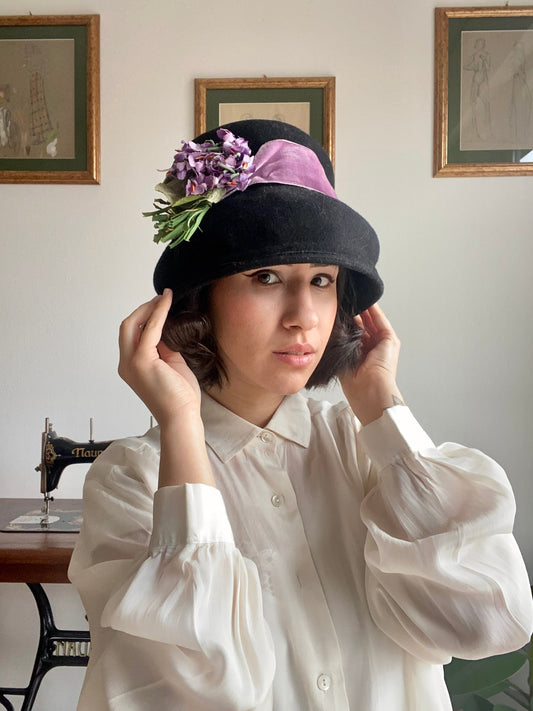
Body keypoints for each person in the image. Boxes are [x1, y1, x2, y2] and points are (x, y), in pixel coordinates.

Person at [69, 120, 533, 711]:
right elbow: (185, 692)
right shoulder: (133, 478)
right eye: (265, 277)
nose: (304, 317)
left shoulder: (369, 449)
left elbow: (483, 623)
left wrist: (382, 404)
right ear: (201, 300)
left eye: (321, 280)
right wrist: (182, 424)